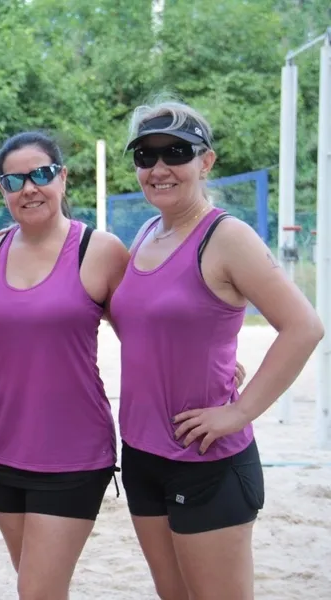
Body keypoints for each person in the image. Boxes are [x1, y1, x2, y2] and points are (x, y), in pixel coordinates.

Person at [110, 97, 324, 600]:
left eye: (176, 152)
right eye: (145, 155)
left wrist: (240, 411)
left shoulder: (226, 237)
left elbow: (304, 327)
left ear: (205, 161)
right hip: (142, 452)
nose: (159, 167)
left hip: (207, 458)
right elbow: (149, 325)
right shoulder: (146, 233)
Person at [0, 131, 129, 599]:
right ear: (2, 190)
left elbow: (143, 334)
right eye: (14, 179)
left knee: (37, 591)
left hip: (73, 451)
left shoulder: (99, 250)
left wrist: (211, 362)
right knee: (36, 588)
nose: (29, 188)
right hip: (0, 447)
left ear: (62, 177)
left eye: (41, 174)